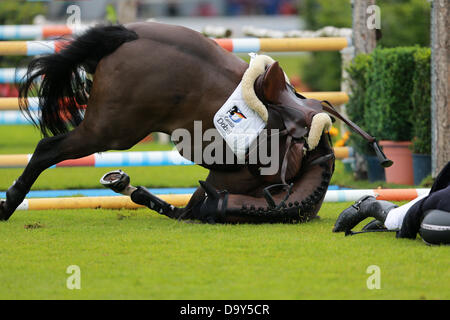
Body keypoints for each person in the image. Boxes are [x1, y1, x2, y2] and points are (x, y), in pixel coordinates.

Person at [333, 161, 450, 245]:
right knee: (394, 220)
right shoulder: (443, 197)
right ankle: (369, 205)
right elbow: (421, 207)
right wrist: (405, 234)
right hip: (437, 194)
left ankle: (385, 221)